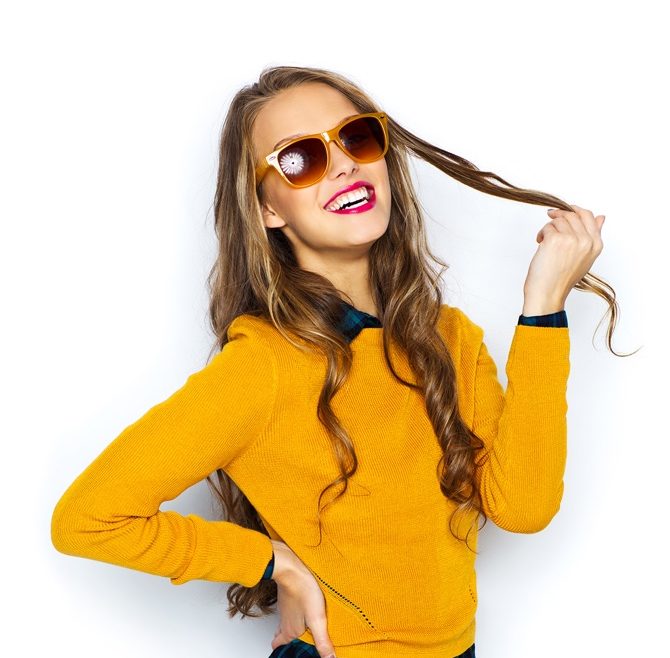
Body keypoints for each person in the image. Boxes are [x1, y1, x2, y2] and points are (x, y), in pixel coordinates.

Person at [51, 65, 614, 658]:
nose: (344, 164)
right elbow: (87, 518)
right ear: (267, 210)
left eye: (356, 137)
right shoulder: (265, 366)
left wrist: (543, 308)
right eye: (300, 158)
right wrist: (273, 563)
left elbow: (522, 509)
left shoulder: (448, 337)